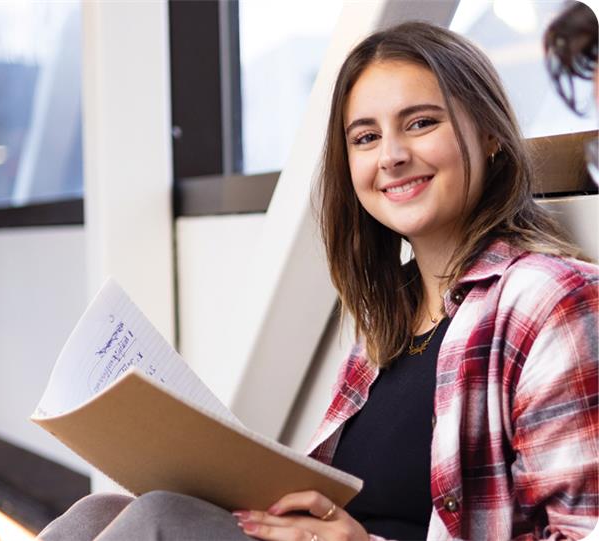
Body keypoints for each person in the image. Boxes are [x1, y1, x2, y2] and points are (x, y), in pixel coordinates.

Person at [37, 21, 598, 541]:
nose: (393, 156)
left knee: (160, 518)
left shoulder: (550, 300)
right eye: (365, 137)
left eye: (421, 123)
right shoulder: (390, 320)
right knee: (99, 512)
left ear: (491, 134)